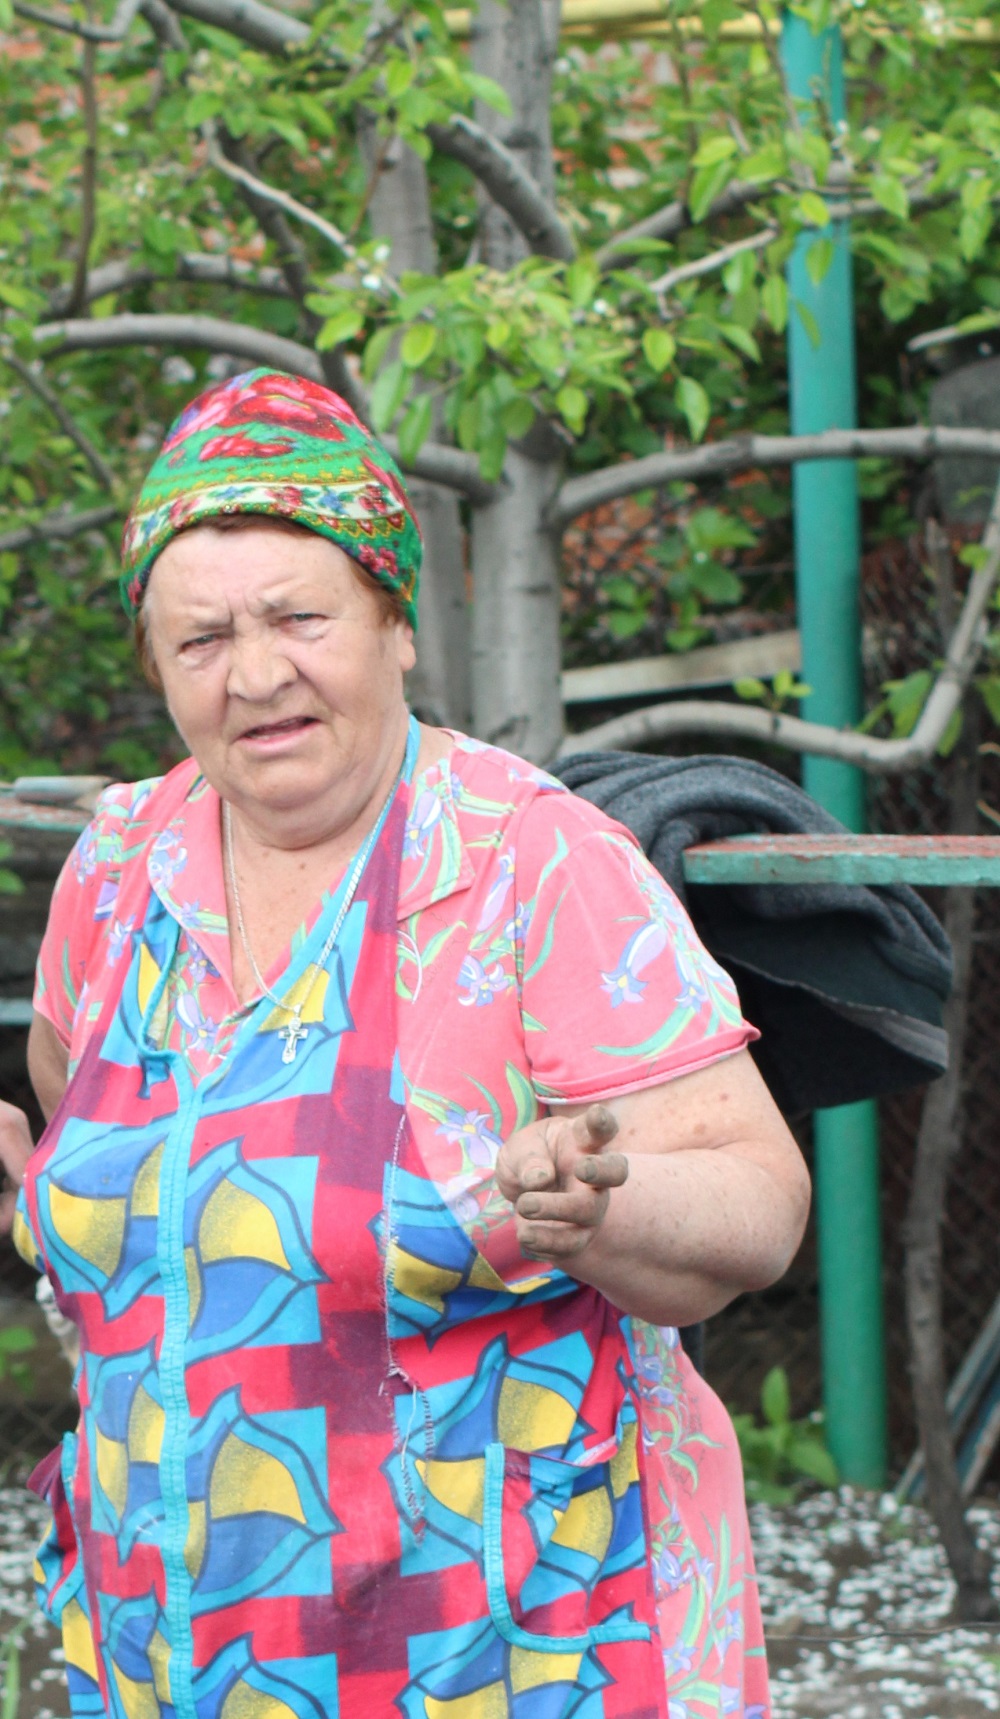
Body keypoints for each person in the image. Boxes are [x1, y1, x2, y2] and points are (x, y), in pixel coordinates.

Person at [0, 368, 810, 1719]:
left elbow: (760, 1199)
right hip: (183, 1649)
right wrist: (52, 1203)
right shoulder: (119, 872)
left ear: (396, 624)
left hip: (510, 1648)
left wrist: (596, 1204)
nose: (258, 674)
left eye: (300, 617)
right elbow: (99, 1137)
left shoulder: (530, 864)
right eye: (201, 639)